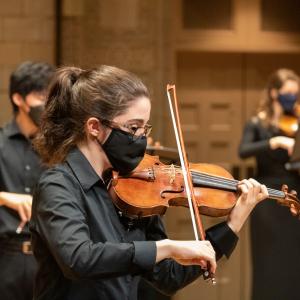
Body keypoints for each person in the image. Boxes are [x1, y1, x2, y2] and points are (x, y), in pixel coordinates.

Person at [30, 65, 268, 300]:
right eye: (133, 128)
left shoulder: (137, 192)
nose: (142, 138)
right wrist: (166, 248)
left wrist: (232, 224)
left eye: (145, 128)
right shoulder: (58, 185)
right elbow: (78, 258)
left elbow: (169, 277)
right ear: (94, 127)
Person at [239, 68, 300, 300]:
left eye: (296, 93)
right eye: (288, 92)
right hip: (266, 196)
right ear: (274, 93)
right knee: (268, 261)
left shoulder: (297, 122)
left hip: (295, 196)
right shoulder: (257, 124)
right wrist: (273, 141)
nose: (293, 97)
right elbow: (243, 151)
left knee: (294, 262)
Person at [0, 61, 55, 300]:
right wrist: (3, 197)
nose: (46, 104)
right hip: (6, 258)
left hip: (50, 257)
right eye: (40, 96)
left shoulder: (58, 148)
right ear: (18, 99)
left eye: (49, 96)